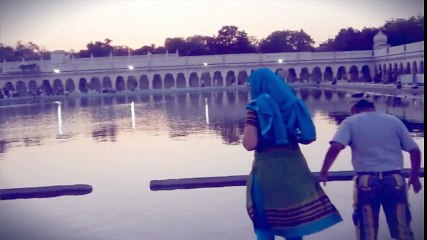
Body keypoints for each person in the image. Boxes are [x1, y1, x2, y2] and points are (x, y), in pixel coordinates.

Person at [243, 68, 342, 240]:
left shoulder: (257, 106)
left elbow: (249, 144)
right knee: (296, 225)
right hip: (296, 170)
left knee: (264, 225)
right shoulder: (294, 104)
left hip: (268, 171)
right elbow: (308, 137)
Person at [320, 99, 422, 240]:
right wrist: (414, 176)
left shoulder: (351, 122)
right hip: (394, 179)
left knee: (367, 231)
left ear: (354, 110)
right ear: (373, 108)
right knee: (402, 229)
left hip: (367, 180)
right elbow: (415, 150)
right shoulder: (393, 121)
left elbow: (335, 147)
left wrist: (324, 172)